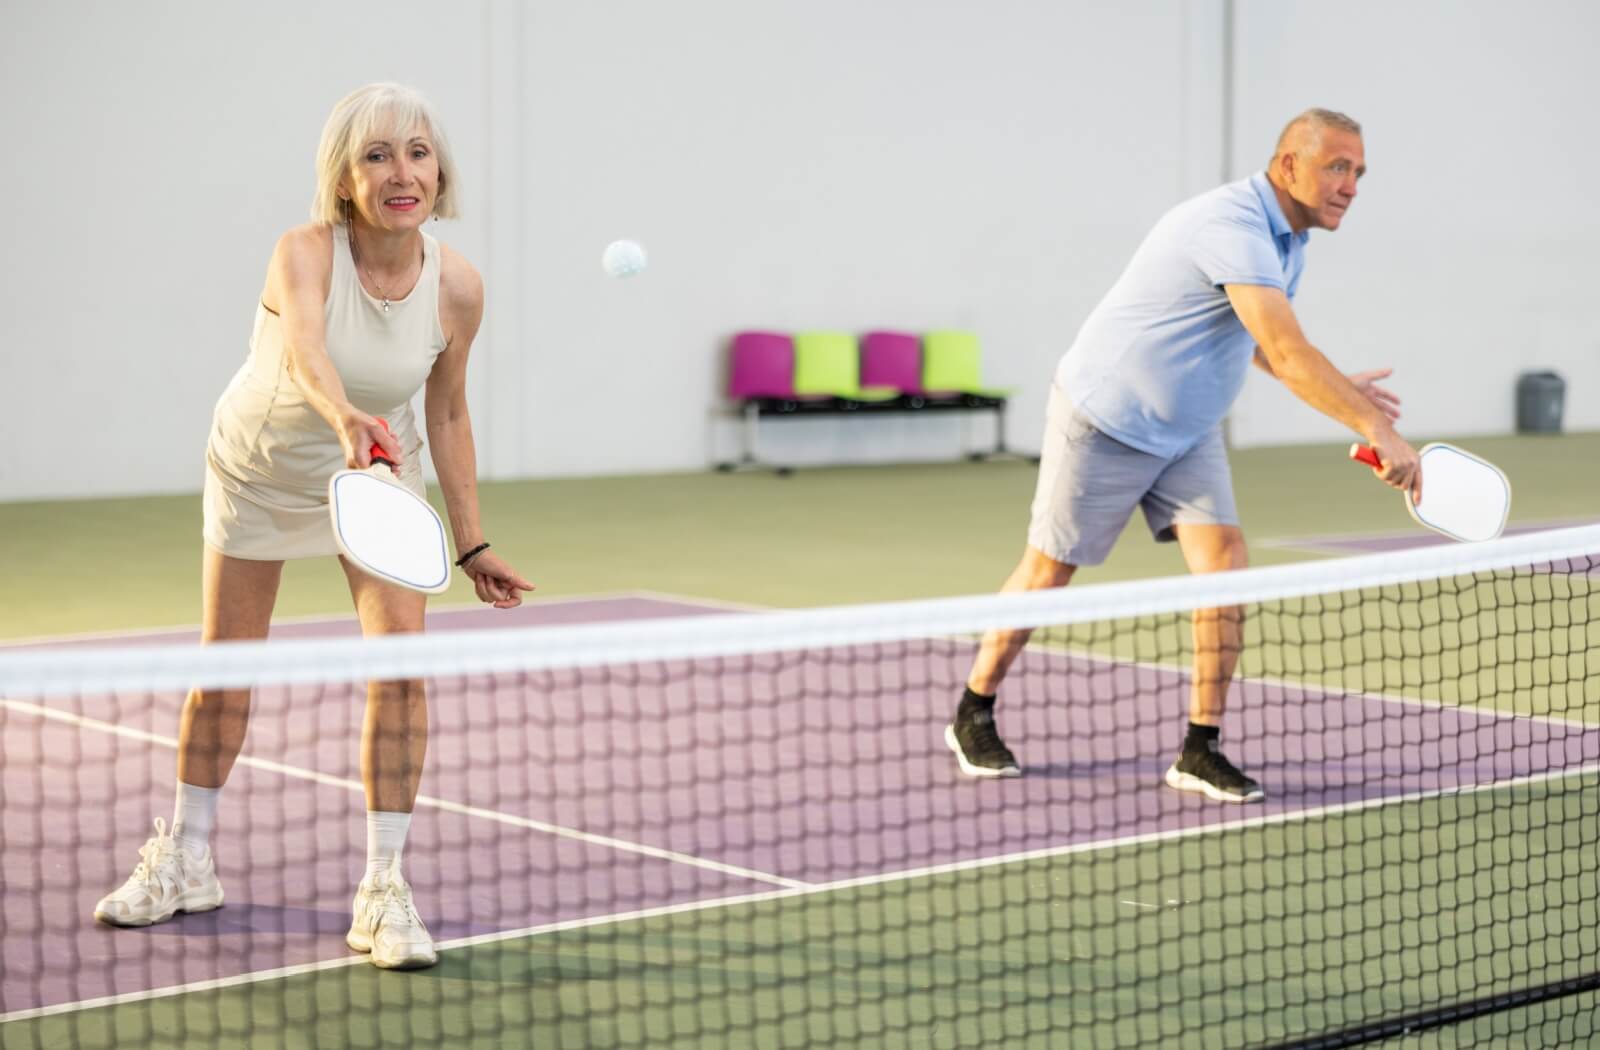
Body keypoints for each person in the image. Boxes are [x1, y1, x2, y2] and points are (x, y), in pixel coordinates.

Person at [92, 83, 532, 969]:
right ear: (343, 179)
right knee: (229, 666)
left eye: (416, 152)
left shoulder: (459, 288)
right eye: (375, 156)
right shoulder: (303, 252)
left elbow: (446, 414)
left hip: (378, 470)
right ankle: (187, 855)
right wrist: (342, 420)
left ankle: (383, 888)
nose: (400, 172)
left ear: (438, 171)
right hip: (264, 467)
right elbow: (305, 350)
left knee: (401, 670)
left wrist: (472, 538)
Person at [945, 108, 1420, 803]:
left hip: (1186, 430)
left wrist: (1342, 387)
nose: (1350, 185)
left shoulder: (1287, 240)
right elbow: (1288, 353)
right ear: (1289, 165)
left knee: (1225, 566)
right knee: (1049, 571)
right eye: (1337, 167)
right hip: (1104, 418)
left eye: (1359, 172)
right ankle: (973, 708)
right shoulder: (1229, 226)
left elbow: (1258, 336)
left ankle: (1201, 747)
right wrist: (1378, 430)